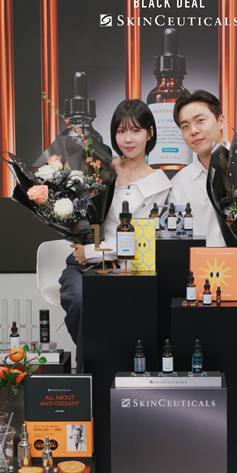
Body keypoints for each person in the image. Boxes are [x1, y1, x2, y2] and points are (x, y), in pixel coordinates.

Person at [169, 89, 237, 438]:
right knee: (190, 325)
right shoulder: (180, 183)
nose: (194, 131)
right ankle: (202, 426)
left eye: (200, 120)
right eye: (185, 126)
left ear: (220, 121)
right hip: (204, 277)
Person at [59, 99, 172, 371]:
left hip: (126, 267)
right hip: (83, 263)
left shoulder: (160, 185)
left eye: (136, 130)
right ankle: (89, 369)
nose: (128, 139)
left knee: (114, 311)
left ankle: (90, 374)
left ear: (150, 133)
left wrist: (91, 252)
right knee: (79, 301)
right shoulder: (100, 166)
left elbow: (141, 240)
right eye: (121, 131)